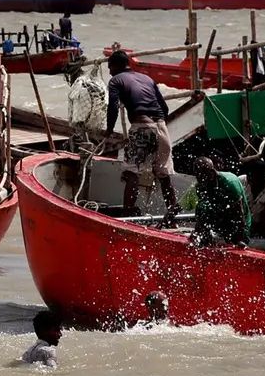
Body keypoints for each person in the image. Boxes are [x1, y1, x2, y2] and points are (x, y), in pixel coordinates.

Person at [104, 50, 180, 218]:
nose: (109, 72)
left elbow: (113, 108)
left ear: (116, 66)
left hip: (141, 127)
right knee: (164, 175)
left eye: (110, 67)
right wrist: (157, 128)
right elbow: (165, 108)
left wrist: (109, 131)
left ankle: (127, 216)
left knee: (132, 173)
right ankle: (172, 218)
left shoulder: (115, 80)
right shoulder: (147, 79)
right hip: (162, 128)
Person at [188, 155, 250, 246]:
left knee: (237, 238)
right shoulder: (201, 185)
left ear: (212, 173)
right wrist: (198, 232)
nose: (200, 180)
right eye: (197, 176)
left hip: (239, 224)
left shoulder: (230, 184)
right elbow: (202, 212)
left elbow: (239, 215)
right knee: (202, 206)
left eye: (202, 176)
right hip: (220, 219)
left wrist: (239, 240)